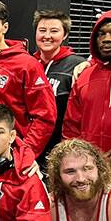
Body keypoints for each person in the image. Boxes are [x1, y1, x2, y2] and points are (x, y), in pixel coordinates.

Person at [0, 0, 56, 158]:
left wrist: (26, 152)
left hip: (14, 152)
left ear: (5, 27)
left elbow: (45, 116)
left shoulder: (27, 64)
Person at [63, 9, 111, 182]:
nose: (107, 39)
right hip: (89, 170)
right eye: (101, 34)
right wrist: (75, 156)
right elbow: (71, 125)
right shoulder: (85, 76)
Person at [32, 9, 86, 156]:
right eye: (42, 30)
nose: (47, 36)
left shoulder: (77, 65)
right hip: (32, 143)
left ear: (65, 35)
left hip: (62, 145)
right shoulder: (28, 63)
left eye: (54, 31)